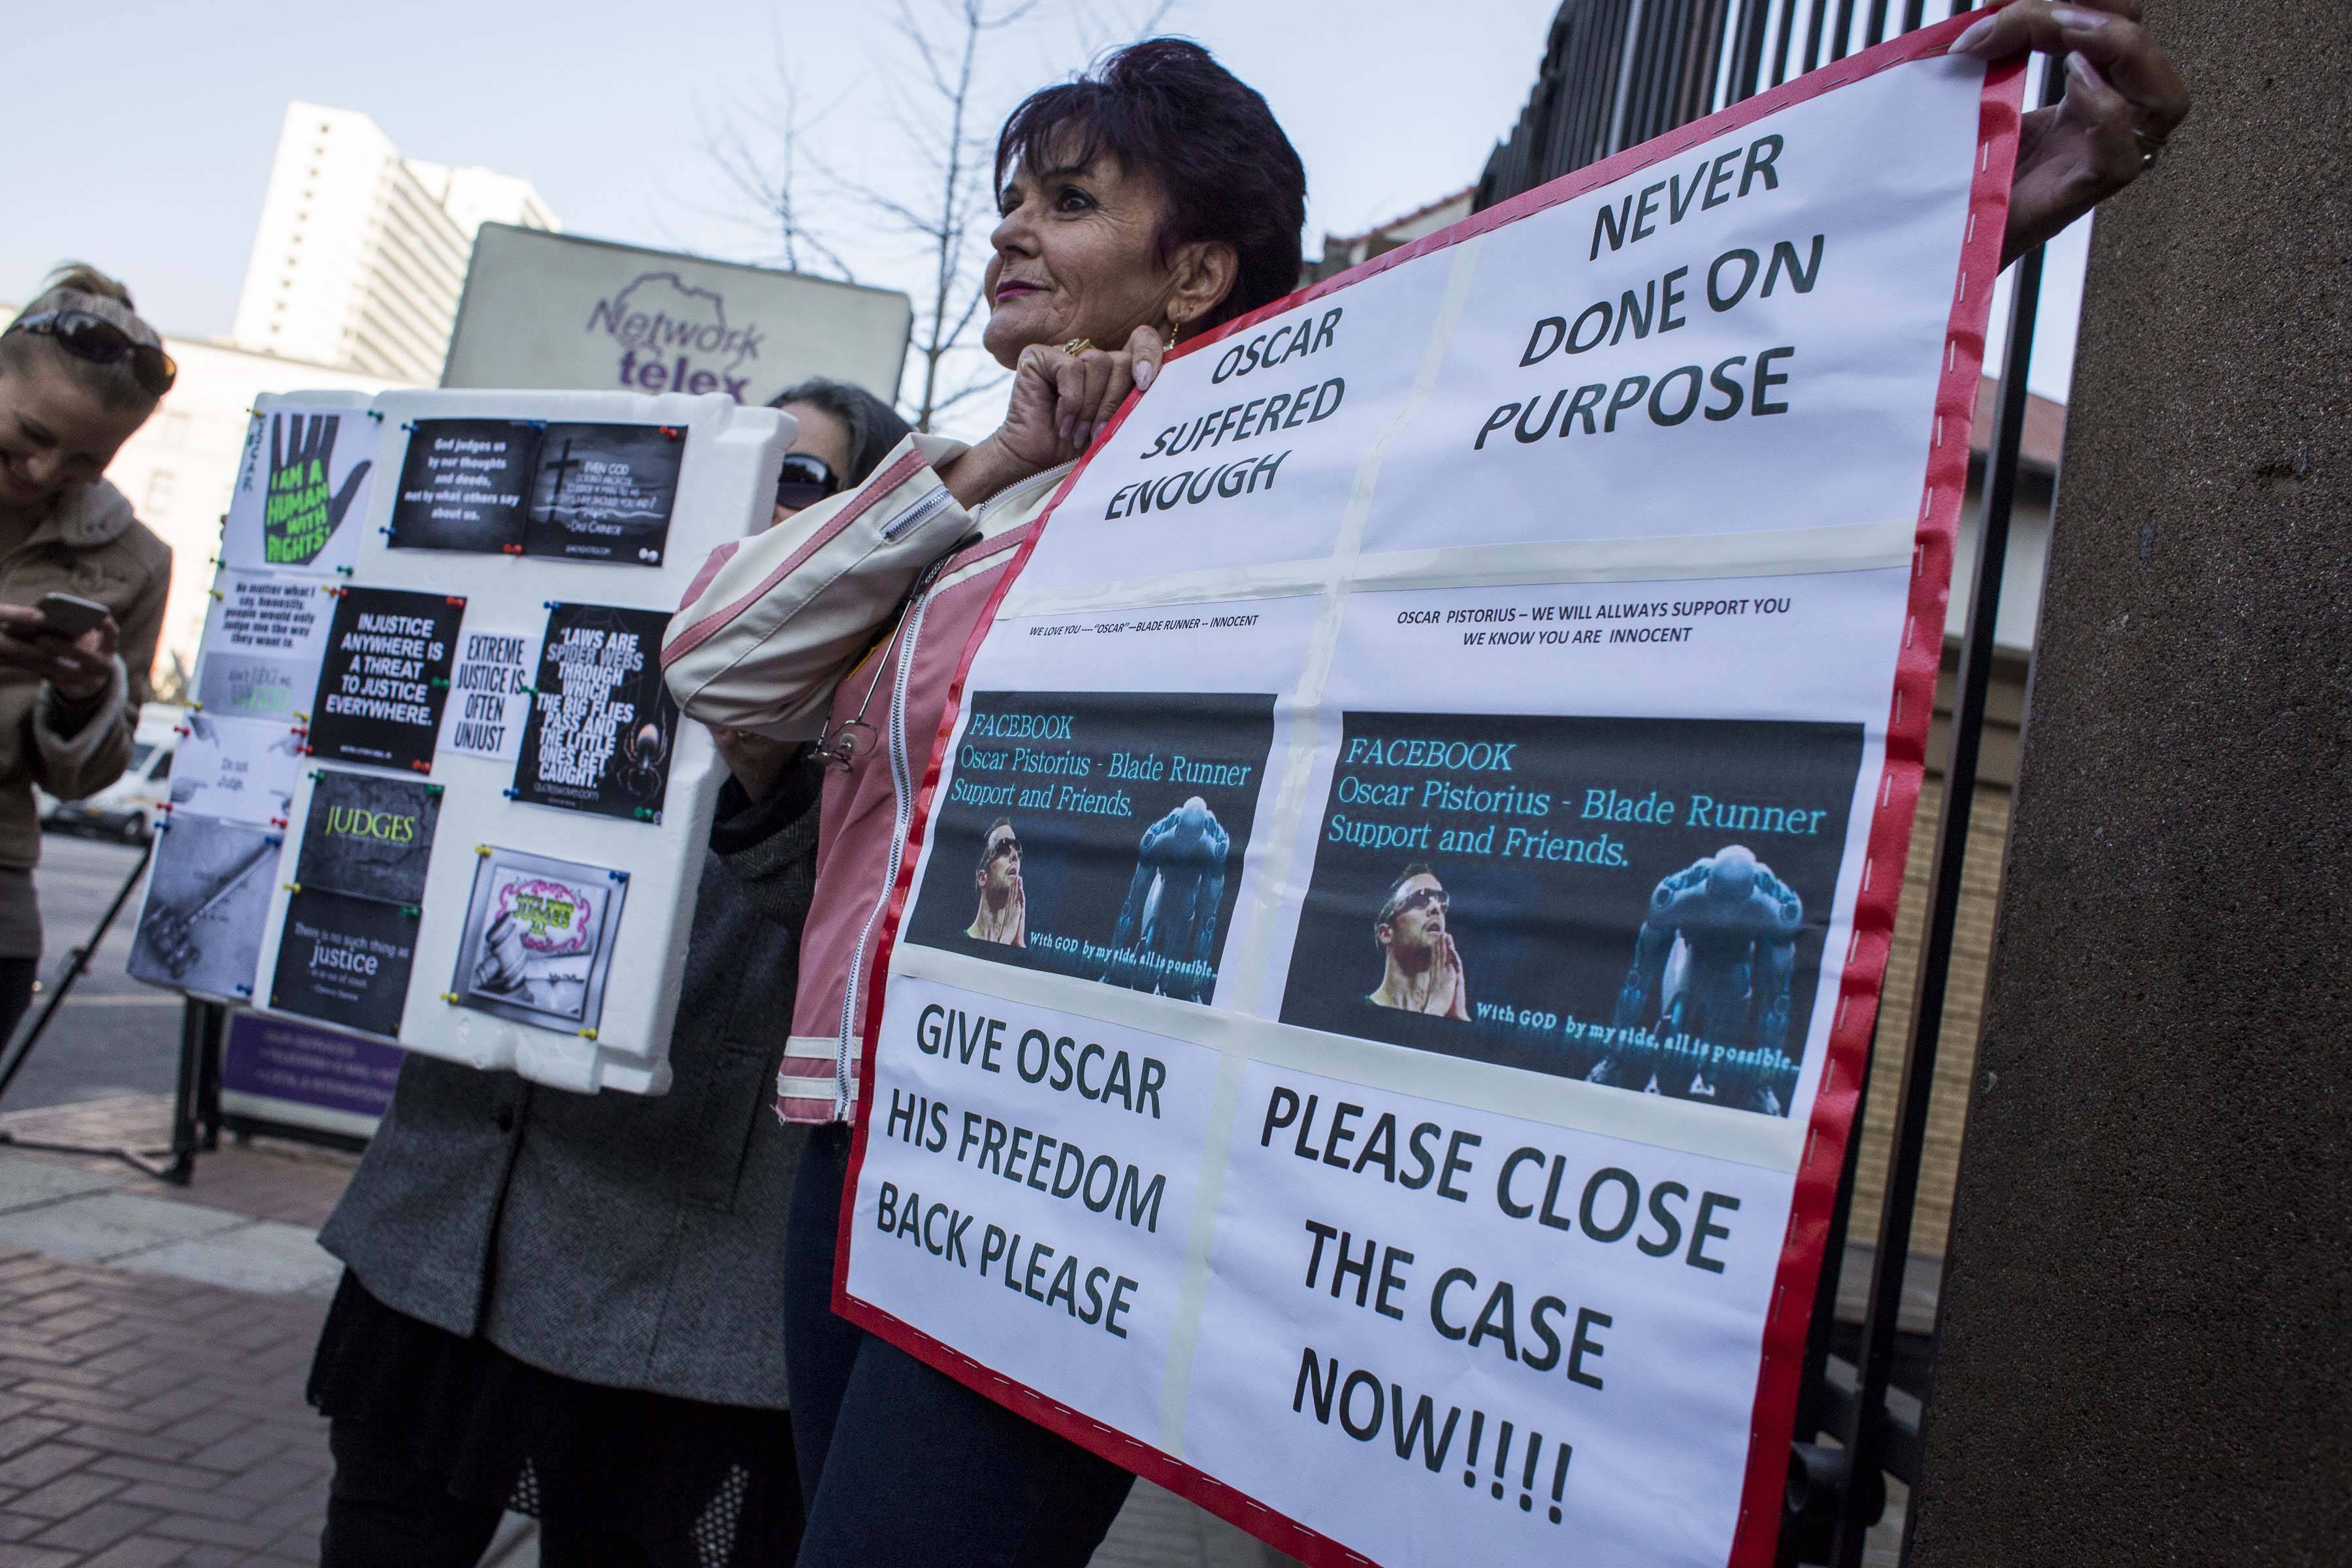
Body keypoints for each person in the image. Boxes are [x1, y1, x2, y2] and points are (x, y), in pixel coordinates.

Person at [661, 16, 2189, 1565]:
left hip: (1055, 1157)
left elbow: (1629, 419)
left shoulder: (1316, 478)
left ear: (1194, 274)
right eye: (1014, 199)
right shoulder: (964, 516)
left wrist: (1975, 204)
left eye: (1065, 201)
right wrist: (982, 468)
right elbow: (717, 659)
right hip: (857, 1129)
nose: (1009, 229)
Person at [306, 379, 909, 1568]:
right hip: (442, 1236)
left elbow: (850, 949)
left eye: (795, 479)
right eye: (720, 464)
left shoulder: (882, 698)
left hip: (660, 1295)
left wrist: (767, 776)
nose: (749, 497)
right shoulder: (538, 626)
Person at [0, 266, 174, 1045]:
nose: (44, 474)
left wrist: (81, 698)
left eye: (84, 465)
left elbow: (86, 775)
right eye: (32, 437)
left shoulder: (134, 562)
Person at [1366, 863, 1470, 1019]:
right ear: (1386, 933)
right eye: (1421, 899)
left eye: (1442, 902)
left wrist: (1459, 1016)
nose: (1436, 908)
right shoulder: (1356, 1013)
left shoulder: (1446, 1011)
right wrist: (1435, 1011)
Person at [965, 815, 1026, 945]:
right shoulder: (956, 944)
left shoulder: (1017, 942)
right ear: (982, 878)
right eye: (1004, 849)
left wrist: (1019, 944)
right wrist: (1005, 941)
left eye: (1018, 849)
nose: (1015, 856)